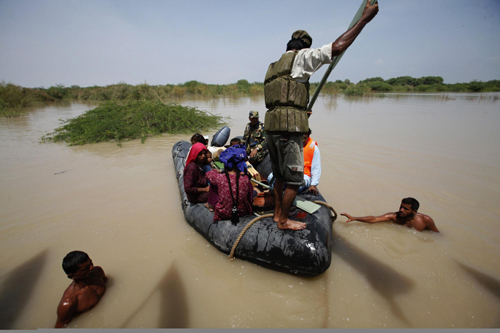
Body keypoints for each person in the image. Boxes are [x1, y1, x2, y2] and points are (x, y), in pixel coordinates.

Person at [263, 0, 379, 230]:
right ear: (304, 47)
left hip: (272, 128)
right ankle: (284, 221)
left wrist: (299, 111)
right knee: (295, 180)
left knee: (278, 175)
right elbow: (337, 47)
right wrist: (364, 19)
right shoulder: (302, 58)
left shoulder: (273, 66)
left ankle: (277, 214)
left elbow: (282, 98)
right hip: (288, 132)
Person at [55, 251, 107, 328]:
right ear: (72, 276)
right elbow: (60, 327)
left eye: (91, 263)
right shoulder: (69, 303)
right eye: (85, 268)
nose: (92, 267)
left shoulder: (98, 272)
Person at [206, 145, 253, 222]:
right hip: (242, 212)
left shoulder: (219, 178)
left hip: (223, 213)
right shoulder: (245, 178)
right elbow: (249, 196)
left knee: (213, 184)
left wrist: (221, 171)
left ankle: (210, 204)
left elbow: (208, 174)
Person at [267, 128, 321, 195]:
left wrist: (313, 185)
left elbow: (316, 168)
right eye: (300, 137)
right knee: (270, 177)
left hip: (304, 175)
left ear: (308, 136)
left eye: (304, 137)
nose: (302, 140)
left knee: (296, 186)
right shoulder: (292, 144)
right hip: (289, 172)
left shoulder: (314, 148)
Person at [341, 197, 440, 232]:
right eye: (401, 206)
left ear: (414, 211)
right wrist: (354, 218)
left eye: (405, 209)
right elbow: (374, 219)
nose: (401, 210)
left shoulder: (425, 220)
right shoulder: (394, 216)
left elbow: (436, 234)